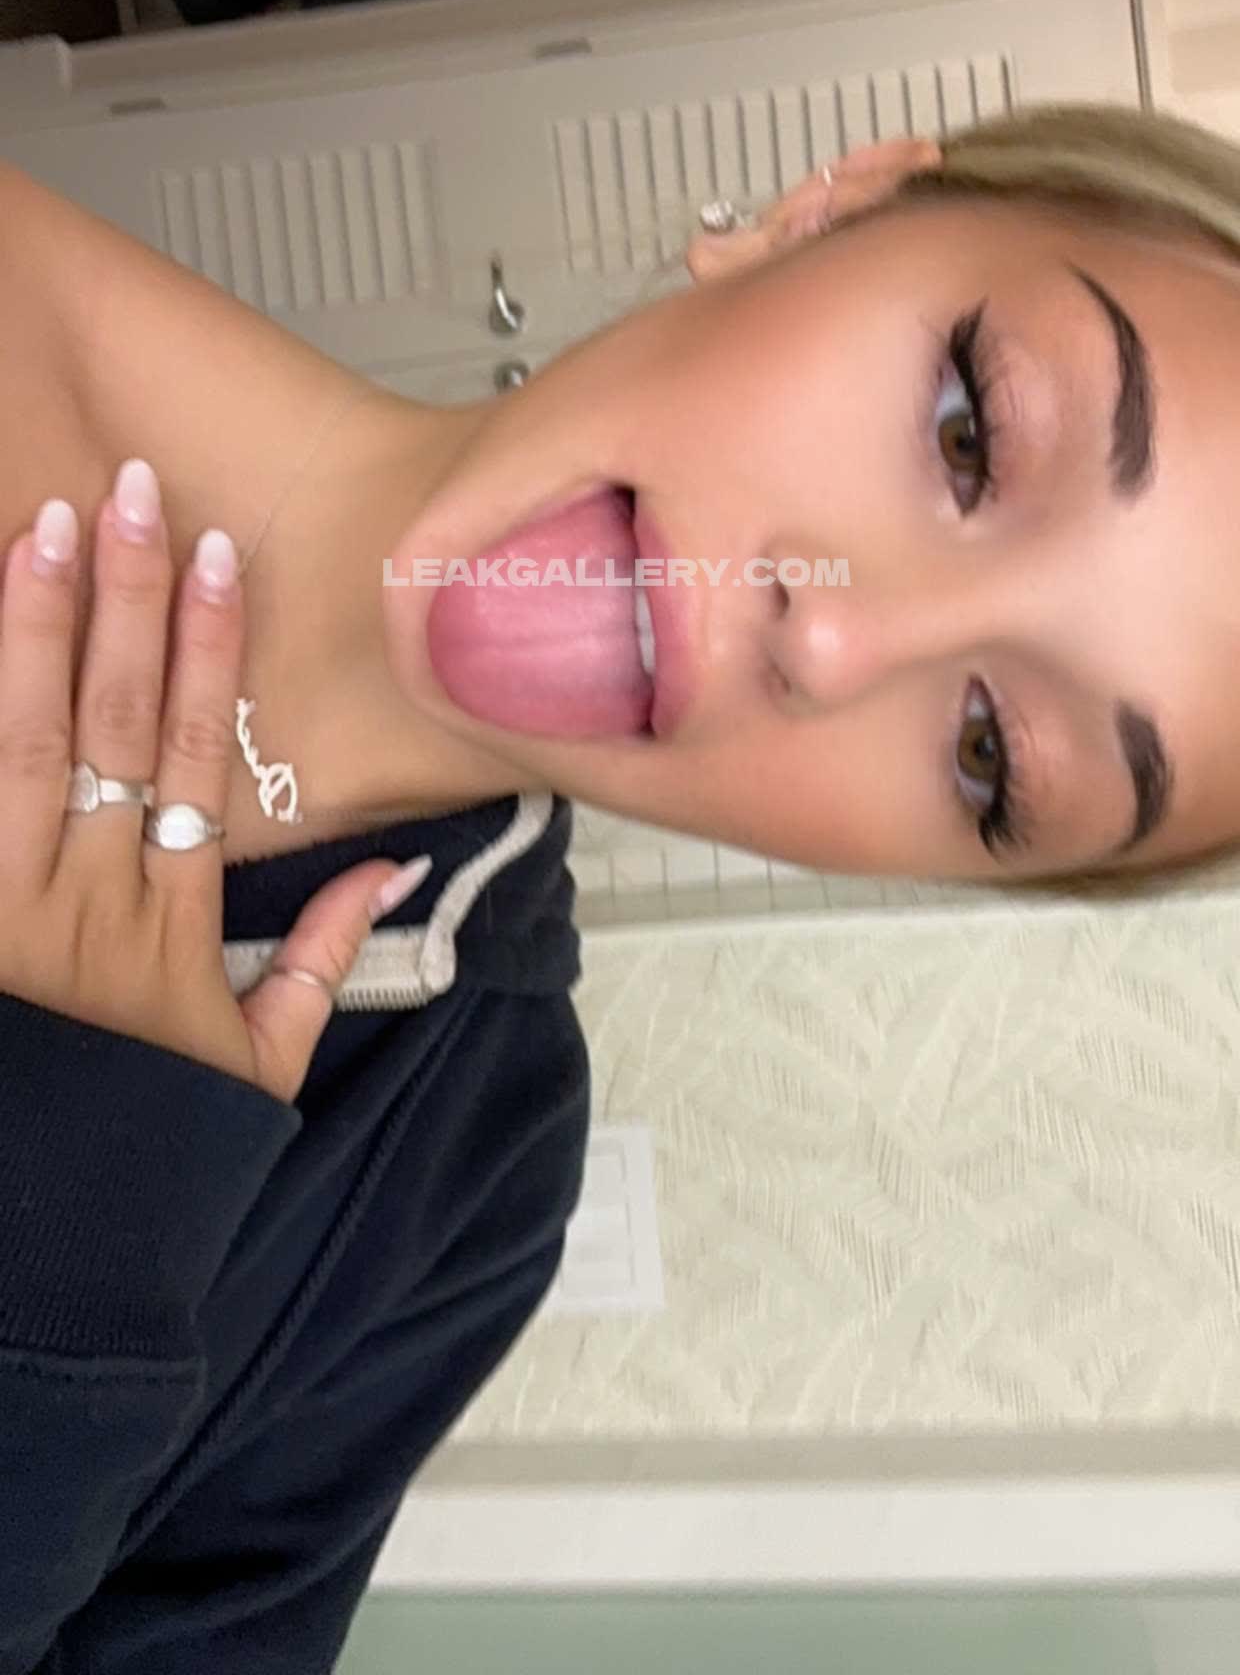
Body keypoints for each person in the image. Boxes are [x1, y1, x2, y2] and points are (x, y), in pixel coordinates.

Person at [2, 99, 1240, 1667]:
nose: (836, 638)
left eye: (991, 757)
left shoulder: (468, 1168)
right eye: (968, 433)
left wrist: (75, 1232)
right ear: (831, 208)